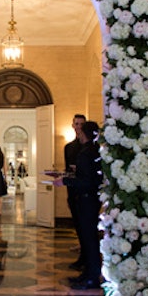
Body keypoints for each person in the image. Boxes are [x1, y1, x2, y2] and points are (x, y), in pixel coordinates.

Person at [55, 120, 102, 289]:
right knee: (89, 238)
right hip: (92, 199)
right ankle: (88, 273)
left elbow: (86, 180)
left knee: (89, 239)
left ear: (83, 133)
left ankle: (92, 276)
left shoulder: (86, 153)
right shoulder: (96, 150)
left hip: (86, 199)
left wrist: (65, 180)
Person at [64, 114, 86, 271]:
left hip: (85, 192)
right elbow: (68, 170)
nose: (78, 127)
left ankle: (86, 256)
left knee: (86, 226)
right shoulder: (68, 147)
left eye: (81, 124)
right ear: (73, 125)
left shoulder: (89, 147)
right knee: (78, 225)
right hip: (72, 191)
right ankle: (82, 254)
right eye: (76, 123)